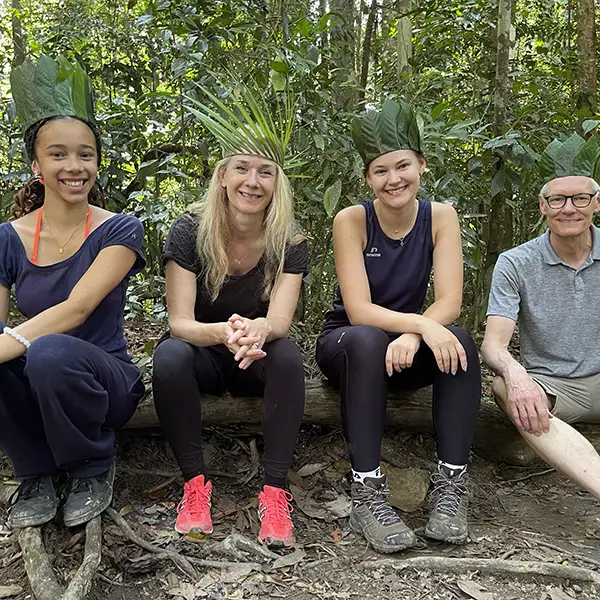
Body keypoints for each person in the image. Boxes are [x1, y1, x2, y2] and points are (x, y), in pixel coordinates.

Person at [316, 99, 481, 553]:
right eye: (381, 171)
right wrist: (418, 327)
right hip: (349, 344)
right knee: (368, 338)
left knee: (461, 340)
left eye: (403, 166)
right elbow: (359, 310)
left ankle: (451, 485)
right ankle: (367, 490)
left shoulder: (440, 216)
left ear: (421, 165)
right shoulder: (351, 219)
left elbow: (449, 300)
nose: (394, 179)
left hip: (405, 347)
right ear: (368, 178)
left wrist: (415, 332)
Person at [152, 85, 308, 548]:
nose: (252, 182)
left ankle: (275, 492)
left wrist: (259, 327)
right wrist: (224, 332)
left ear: (278, 182)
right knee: (169, 356)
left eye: (265, 172)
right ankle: (195, 487)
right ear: (222, 175)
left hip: (252, 357)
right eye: (242, 168)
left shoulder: (291, 242)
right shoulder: (188, 230)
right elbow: (179, 322)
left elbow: (280, 320)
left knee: (288, 355)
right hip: (204, 352)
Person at [1, 55, 145, 529]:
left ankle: (91, 468)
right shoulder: (7, 237)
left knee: (47, 352)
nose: (74, 166)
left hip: (107, 380)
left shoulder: (120, 230)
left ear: (98, 162)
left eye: (85, 154)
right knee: (20, 359)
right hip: (39, 376)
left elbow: (78, 308)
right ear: (36, 163)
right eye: (58, 154)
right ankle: (36, 472)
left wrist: (13, 342)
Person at [482, 134, 600, 503]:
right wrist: (516, 375)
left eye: (580, 198)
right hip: (553, 387)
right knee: (503, 387)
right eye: (557, 199)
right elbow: (493, 346)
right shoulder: (517, 262)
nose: (569, 208)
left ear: (596, 203)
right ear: (542, 206)